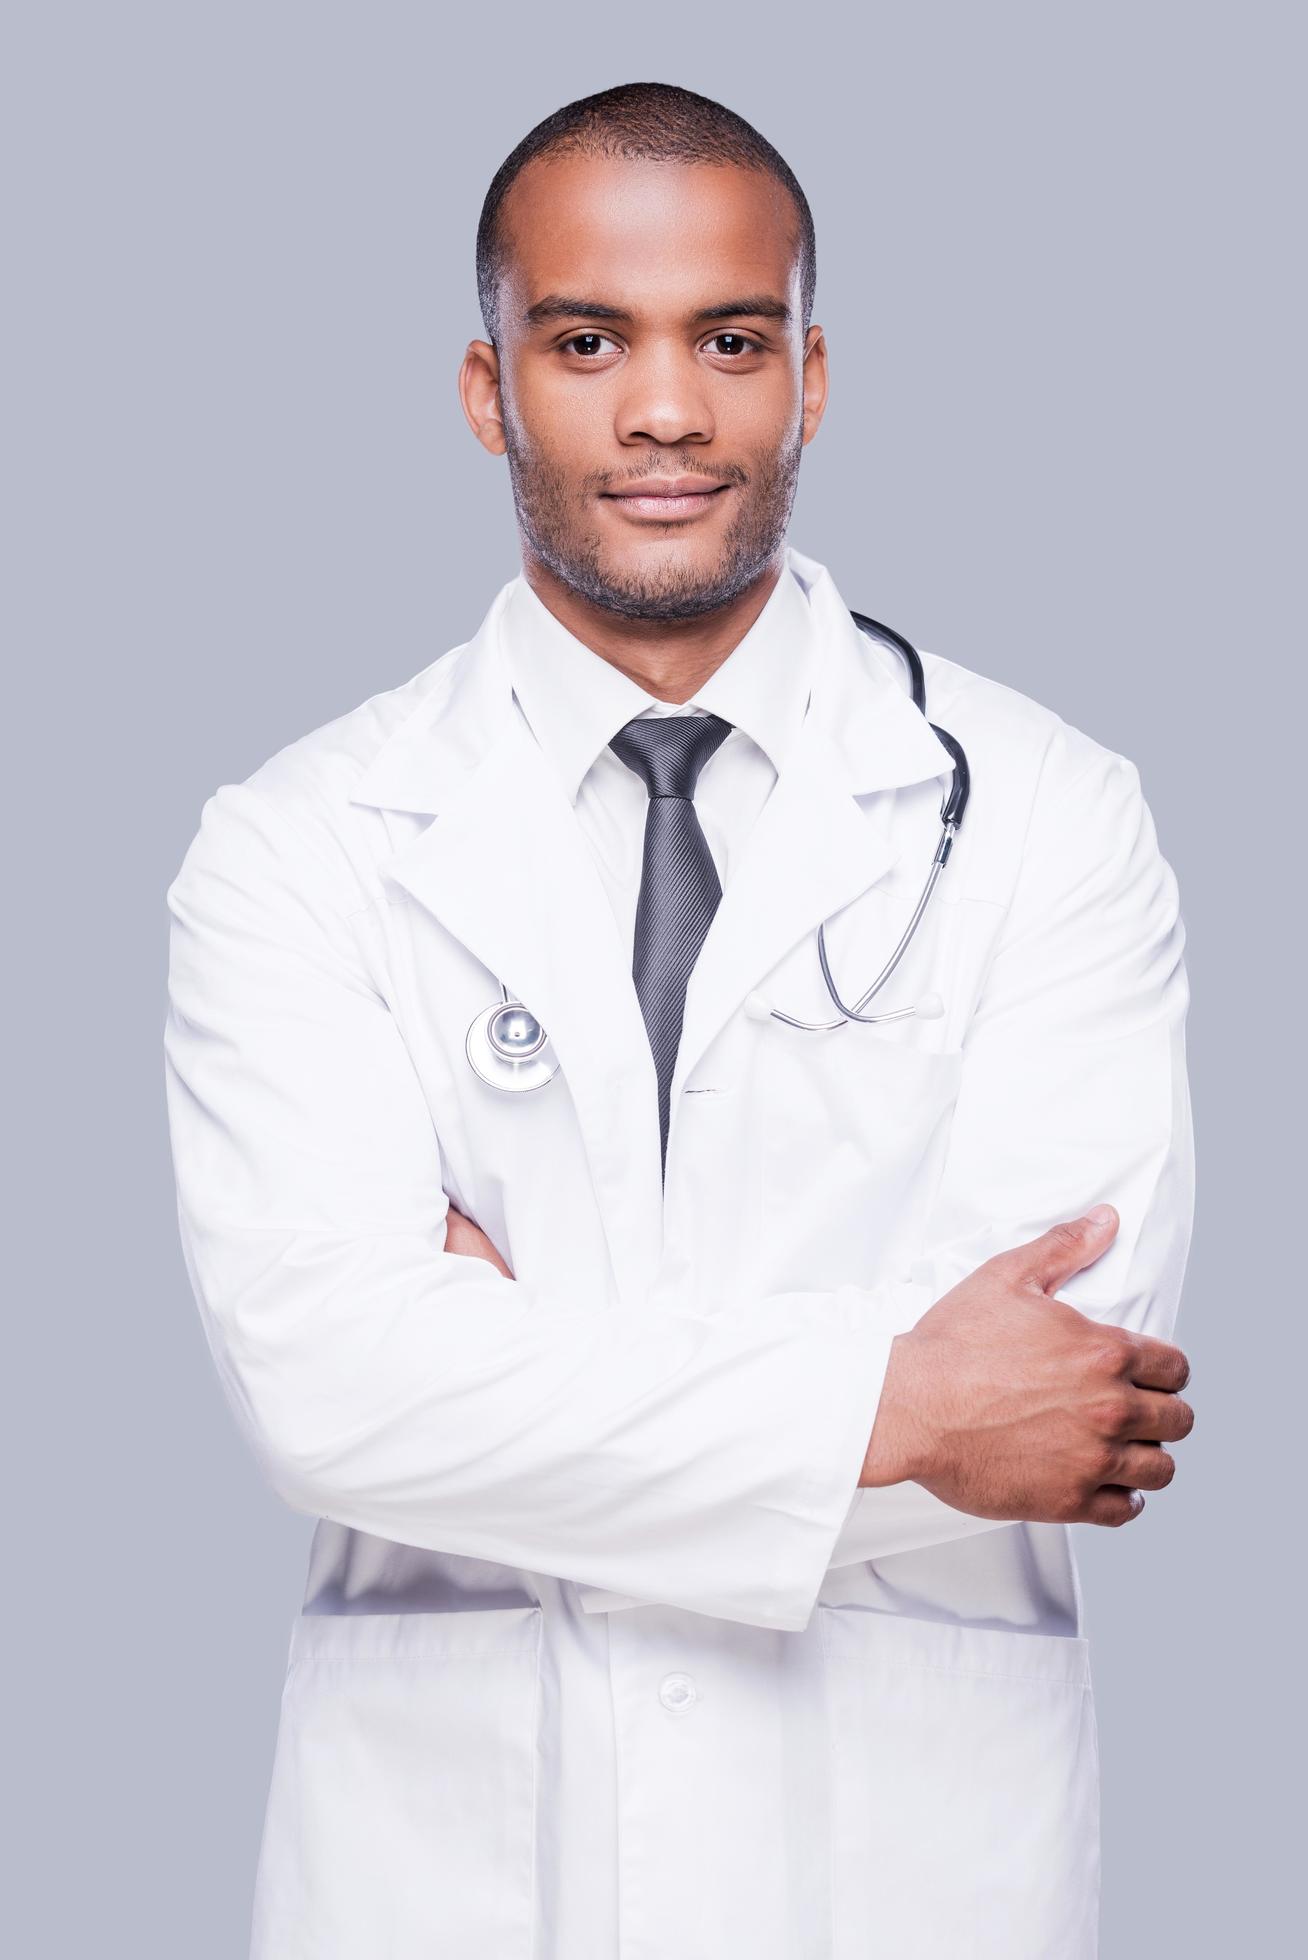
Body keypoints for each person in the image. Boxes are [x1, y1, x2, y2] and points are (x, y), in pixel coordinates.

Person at [162, 80, 1195, 1960]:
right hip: (448, 1877)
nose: (664, 409)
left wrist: (502, 1366)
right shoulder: (301, 843)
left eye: (732, 339)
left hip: (907, 1874)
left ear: (812, 374)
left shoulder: (1050, 810)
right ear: (489, 388)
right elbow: (331, 1394)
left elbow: (1060, 1391)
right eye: (585, 340)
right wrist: (899, 1405)